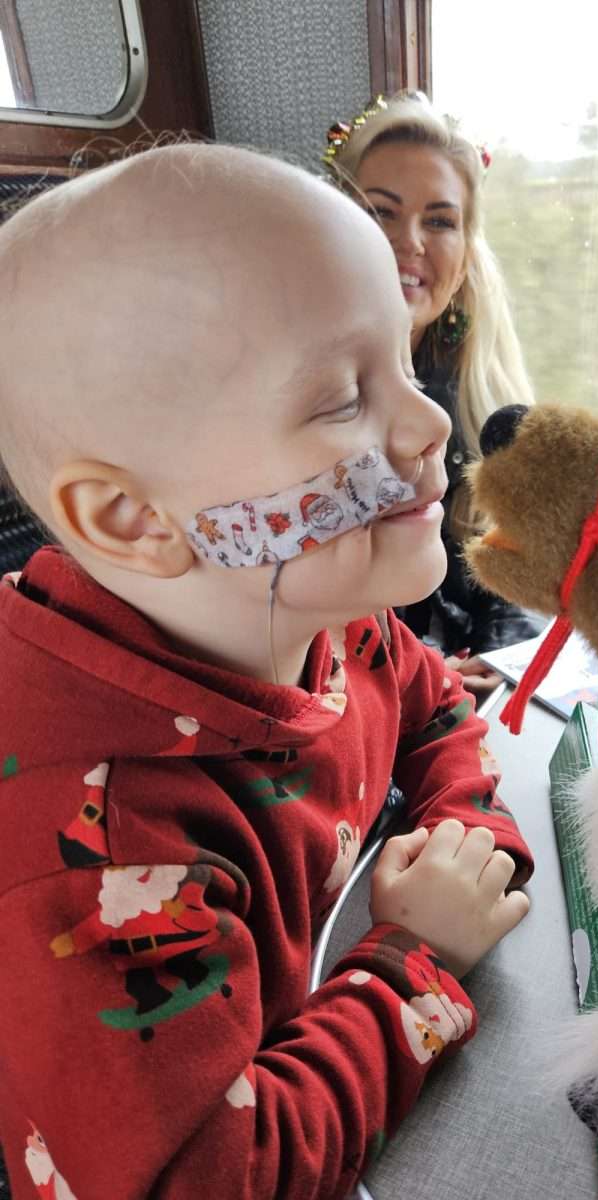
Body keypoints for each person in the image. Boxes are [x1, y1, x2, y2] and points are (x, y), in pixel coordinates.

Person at [0, 143, 533, 1200]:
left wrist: (464, 837)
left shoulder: (324, 617)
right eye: (343, 399)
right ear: (134, 519)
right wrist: (415, 961)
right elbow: (209, 1181)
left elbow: (429, 707)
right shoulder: (92, 857)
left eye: (404, 355)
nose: (429, 425)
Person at [327, 92, 545, 697]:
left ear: (466, 249)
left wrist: (507, 669)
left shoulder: (477, 394)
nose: (411, 242)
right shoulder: (293, 393)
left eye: (441, 220)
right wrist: (422, 676)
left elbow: (504, 566)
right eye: (382, 212)